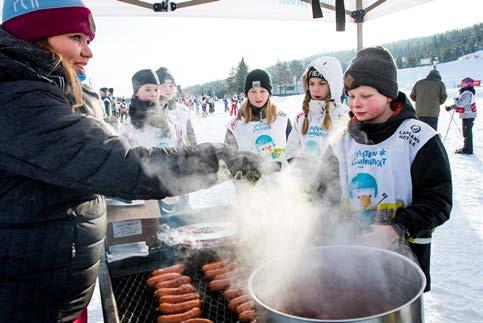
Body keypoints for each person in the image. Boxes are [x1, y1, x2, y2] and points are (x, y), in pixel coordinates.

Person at [0, 1, 265, 321]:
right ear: (38, 38)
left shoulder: (36, 90)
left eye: (88, 41)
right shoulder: (19, 100)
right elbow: (125, 166)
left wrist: (76, 85)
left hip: (42, 289)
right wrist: (222, 160)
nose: (88, 52)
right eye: (76, 38)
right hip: (27, 300)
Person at [333, 47, 452, 292]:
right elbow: (322, 192)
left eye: (366, 95)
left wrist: (395, 228)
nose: (356, 103)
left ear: (388, 94)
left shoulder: (418, 138)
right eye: (351, 95)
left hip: (404, 262)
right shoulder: (342, 142)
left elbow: (438, 201)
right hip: (351, 258)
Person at [284, 56, 346, 162]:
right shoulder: (303, 118)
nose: (315, 89)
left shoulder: (344, 116)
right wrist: (302, 167)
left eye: (322, 83)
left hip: (333, 177)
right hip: (307, 177)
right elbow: (291, 152)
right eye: (311, 83)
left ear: (334, 85)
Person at [225, 69, 292, 162]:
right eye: (253, 91)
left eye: (262, 91)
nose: (258, 96)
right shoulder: (235, 125)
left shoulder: (282, 119)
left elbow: (294, 151)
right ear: (247, 93)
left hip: (281, 176)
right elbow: (229, 159)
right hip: (249, 176)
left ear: (269, 92)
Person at [156, 67, 197, 146]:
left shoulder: (183, 110)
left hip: (181, 155)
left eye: (171, 86)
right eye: (163, 86)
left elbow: (190, 135)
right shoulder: (151, 110)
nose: (168, 90)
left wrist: (194, 152)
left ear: (175, 89)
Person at [445, 77, 477, 154]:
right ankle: (466, 148)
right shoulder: (465, 92)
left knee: (467, 132)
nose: (461, 84)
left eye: (463, 83)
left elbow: (461, 103)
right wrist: (450, 107)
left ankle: (468, 149)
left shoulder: (468, 93)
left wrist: (457, 101)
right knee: (466, 132)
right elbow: (460, 102)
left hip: (468, 115)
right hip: (466, 114)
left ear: (468, 84)